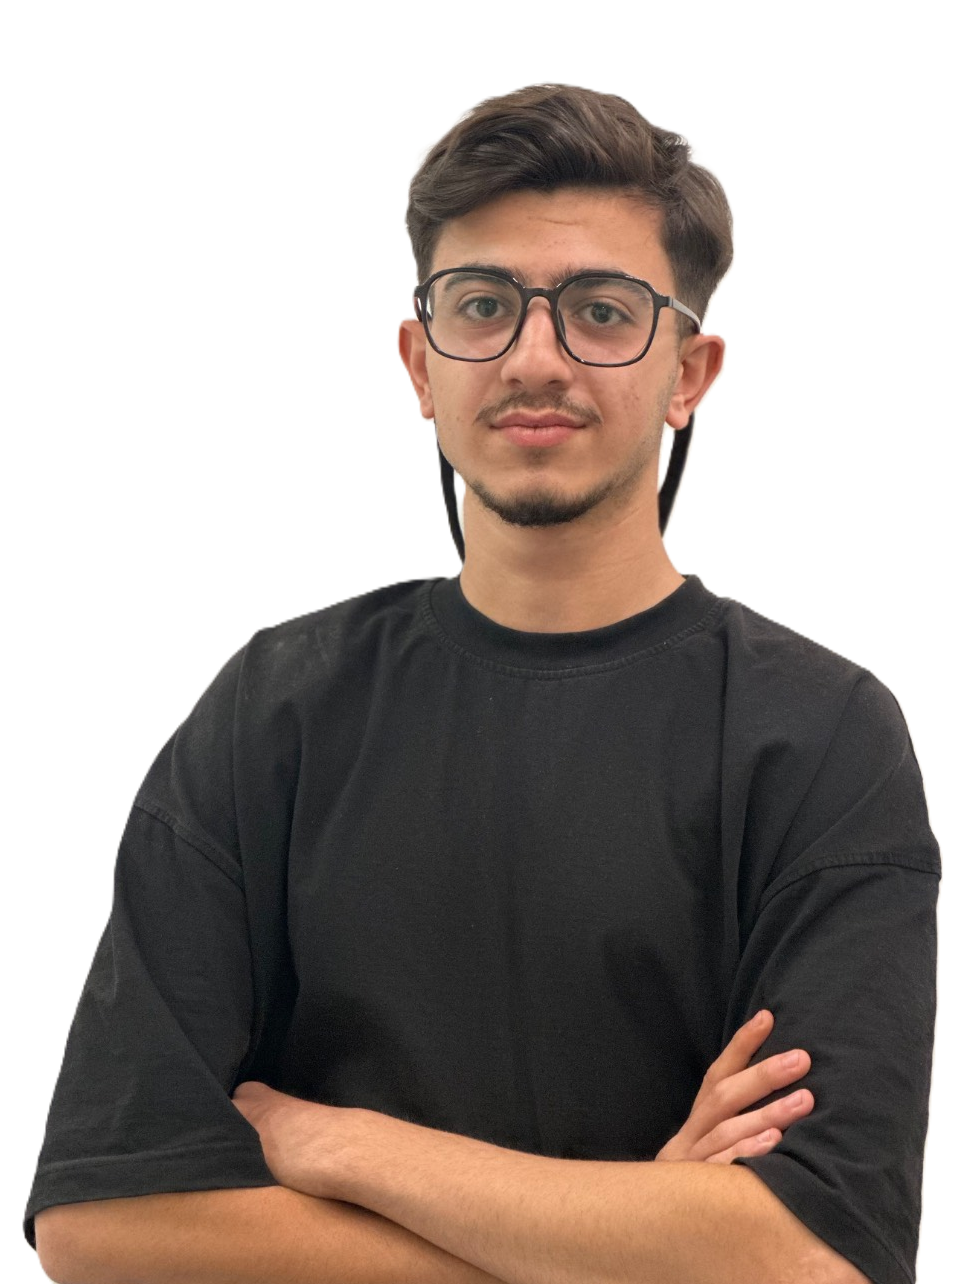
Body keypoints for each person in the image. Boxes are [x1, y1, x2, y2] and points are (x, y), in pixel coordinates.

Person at [28, 84, 938, 1284]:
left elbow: (812, 1261)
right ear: (421, 363)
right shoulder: (276, 710)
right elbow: (104, 1221)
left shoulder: (819, 738)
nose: (534, 357)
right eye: (482, 305)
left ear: (688, 372)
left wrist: (347, 1146)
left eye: (602, 311)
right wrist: (633, 1242)